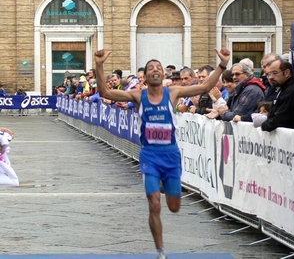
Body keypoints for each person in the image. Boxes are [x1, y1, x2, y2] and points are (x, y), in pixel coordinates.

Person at [94, 48, 230, 259]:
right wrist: (99, 65)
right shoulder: (137, 95)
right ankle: (161, 251)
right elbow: (105, 93)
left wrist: (222, 64)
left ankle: (165, 186)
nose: (155, 70)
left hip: (171, 156)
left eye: (158, 68)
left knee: (174, 207)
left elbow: (204, 86)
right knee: (154, 203)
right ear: (146, 77)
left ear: (164, 75)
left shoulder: (173, 93)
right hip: (150, 156)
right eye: (151, 68)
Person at [260, 59, 294, 131]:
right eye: (268, 74)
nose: (270, 77)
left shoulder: (291, 91)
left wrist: (264, 125)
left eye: (274, 73)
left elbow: (281, 119)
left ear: (287, 73)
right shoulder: (282, 88)